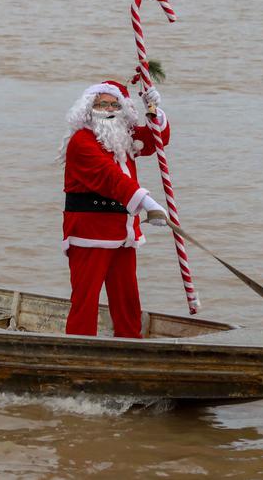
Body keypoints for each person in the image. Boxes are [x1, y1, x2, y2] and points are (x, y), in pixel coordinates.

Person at [60, 80, 170, 338]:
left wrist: (154, 109)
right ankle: (79, 345)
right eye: (102, 104)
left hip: (123, 230)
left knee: (127, 296)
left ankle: (130, 341)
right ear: (89, 108)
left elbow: (156, 140)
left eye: (114, 105)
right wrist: (148, 203)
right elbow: (110, 177)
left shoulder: (123, 137)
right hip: (90, 231)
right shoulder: (81, 142)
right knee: (86, 297)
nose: (109, 109)